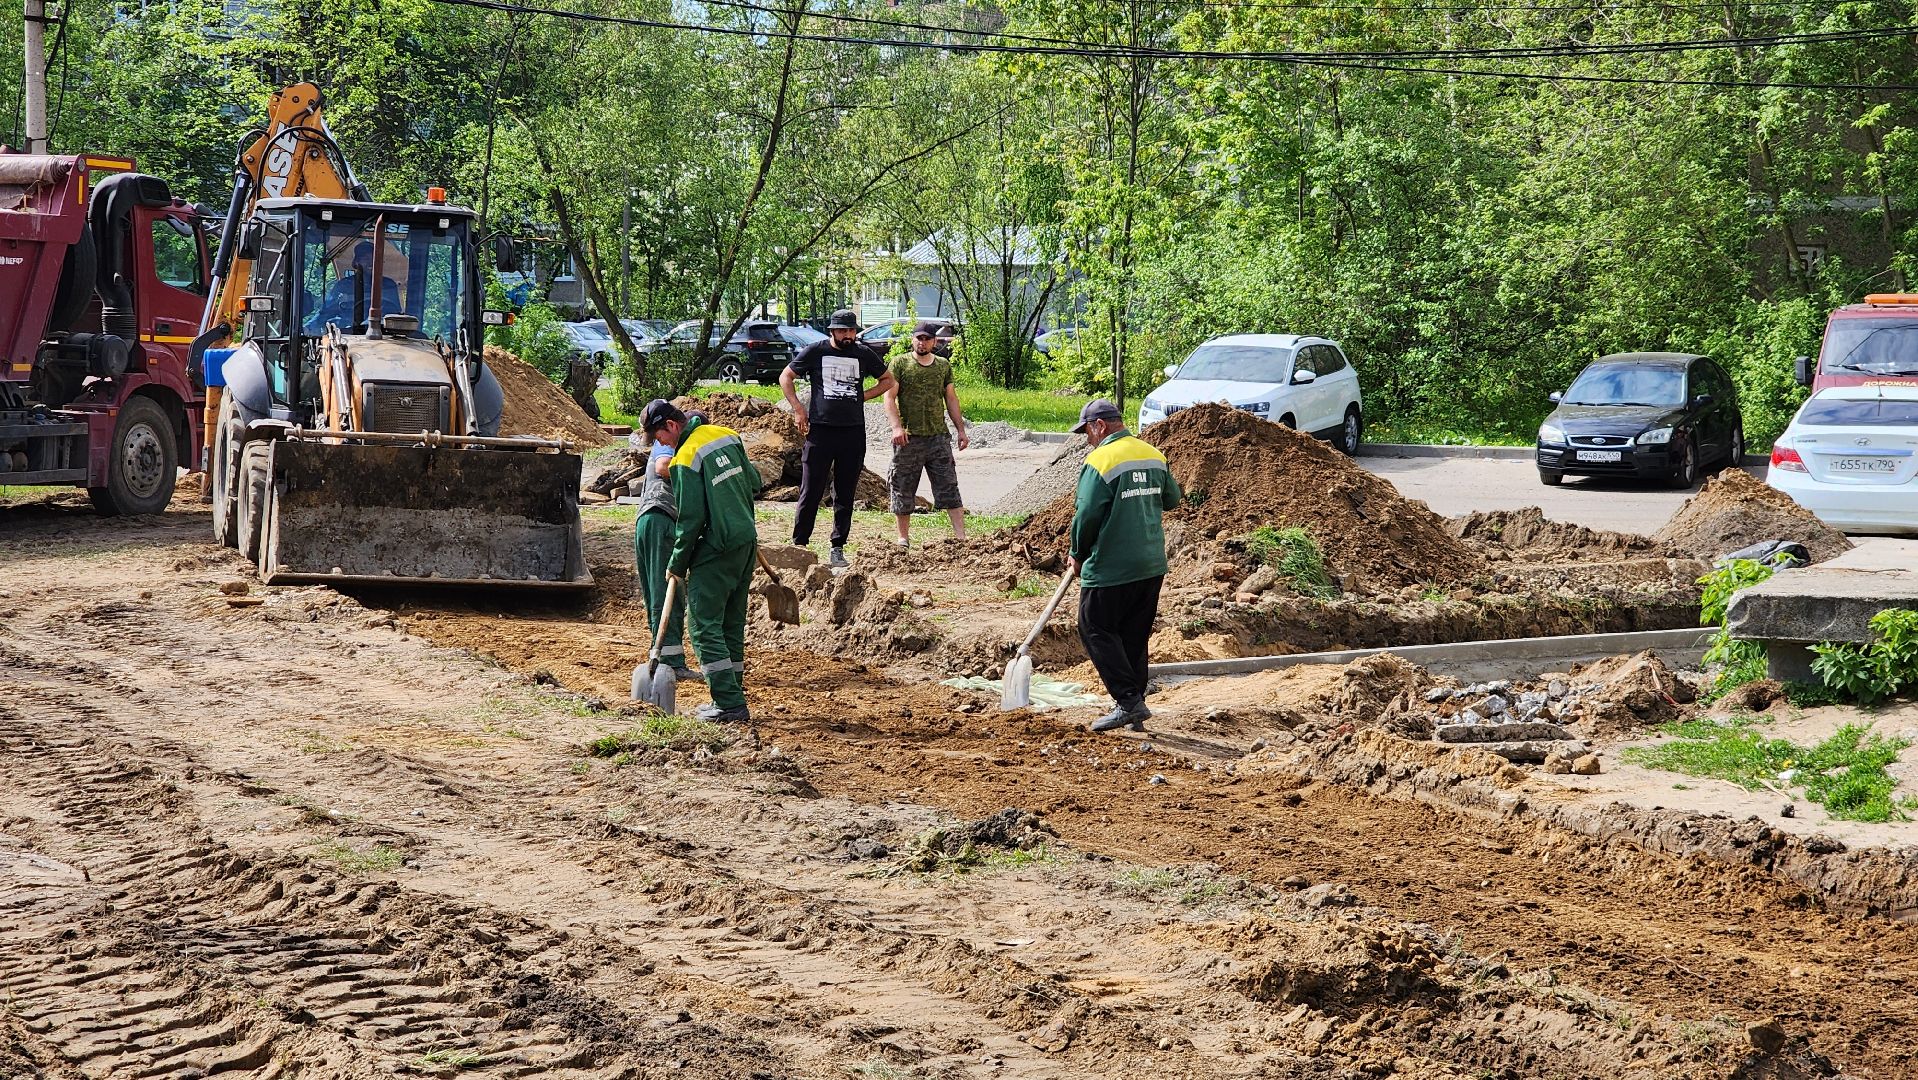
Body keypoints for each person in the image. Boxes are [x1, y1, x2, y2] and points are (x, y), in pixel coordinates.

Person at [1066, 398, 1183, 733]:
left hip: (1111, 566)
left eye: (1087, 431)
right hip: (1150, 564)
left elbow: (1087, 514)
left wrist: (1077, 551)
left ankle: (1129, 702)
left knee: (1095, 627)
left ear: (1100, 425)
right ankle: (1135, 701)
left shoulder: (1101, 460)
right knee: (1134, 634)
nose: (1087, 439)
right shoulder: (1153, 454)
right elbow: (1172, 499)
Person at [643, 399, 762, 723]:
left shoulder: (684, 460)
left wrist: (678, 562)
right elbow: (754, 482)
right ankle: (732, 690)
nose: (659, 445)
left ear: (671, 425)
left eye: (658, 437)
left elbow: (691, 520)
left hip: (717, 549)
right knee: (731, 623)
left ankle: (728, 704)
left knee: (703, 625)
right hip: (745, 542)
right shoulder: (726, 434)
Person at [779, 308, 896, 569]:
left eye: (852, 330)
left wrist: (862, 396)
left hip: (852, 432)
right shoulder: (816, 351)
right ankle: (800, 544)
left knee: (845, 492)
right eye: (842, 331)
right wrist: (799, 410)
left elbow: (888, 380)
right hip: (820, 430)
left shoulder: (863, 353)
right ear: (832, 331)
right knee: (811, 489)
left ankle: (837, 547)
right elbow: (786, 376)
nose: (848, 335)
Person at [882, 320, 969, 547]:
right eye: (918, 338)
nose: (922, 342)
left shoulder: (942, 365)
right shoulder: (900, 363)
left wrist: (961, 430)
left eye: (927, 338)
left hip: (938, 437)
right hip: (908, 438)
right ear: (913, 339)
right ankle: (903, 537)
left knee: (949, 484)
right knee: (903, 485)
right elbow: (889, 397)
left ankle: (961, 537)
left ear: (934, 341)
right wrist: (896, 427)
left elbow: (951, 398)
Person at [632, 423, 701, 685]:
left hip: (657, 520)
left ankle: (663, 655)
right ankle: (669, 661)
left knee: (663, 592)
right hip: (659, 520)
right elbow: (663, 467)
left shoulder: (679, 440)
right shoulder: (672, 440)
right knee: (666, 591)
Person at [306, 241, 402, 334]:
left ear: (380, 263)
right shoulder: (343, 286)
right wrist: (307, 328)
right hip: (346, 336)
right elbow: (326, 313)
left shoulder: (389, 285)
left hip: (382, 337)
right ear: (356, 262)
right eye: (365, 258)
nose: (370, 263)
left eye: (374, 259)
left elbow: (394, 315)